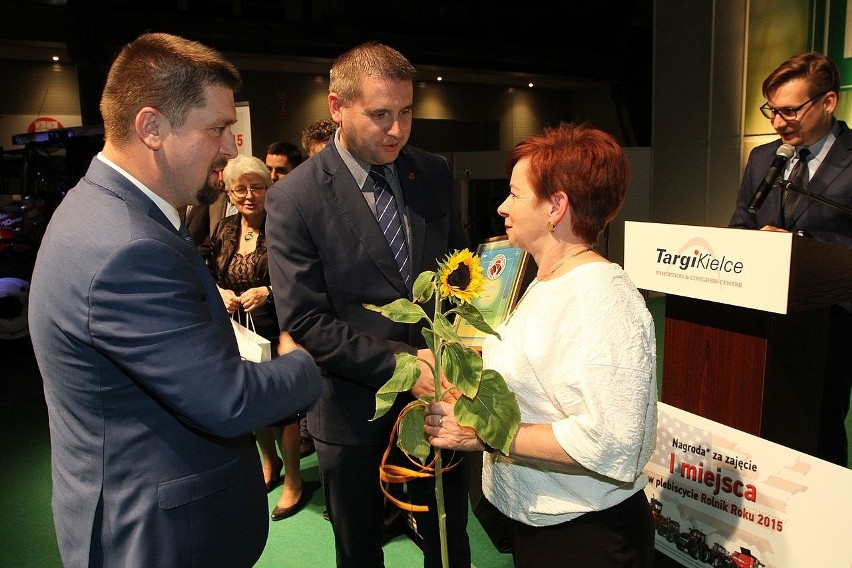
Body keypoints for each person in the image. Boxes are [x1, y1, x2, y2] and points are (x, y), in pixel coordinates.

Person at [27, 32, 322, 568]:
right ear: (152, 128)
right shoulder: (128, 247)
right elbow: (229, 401)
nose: (232, 147)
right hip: (161, 538)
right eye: (218, 128)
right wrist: (302, 360)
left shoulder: (98, 209)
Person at [265, 41, 471, 567]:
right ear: (337, 107)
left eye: (406, 113)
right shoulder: (296, 197)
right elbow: (306, 320)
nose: (398, 130)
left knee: (448, 540)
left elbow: (457, 274)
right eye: (380, 114)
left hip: (438, 403)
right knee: (359, 551)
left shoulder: (434, 172)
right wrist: (403, 366)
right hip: (351, 412)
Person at [425, 123, 658, 568]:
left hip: (588, 537)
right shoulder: (546, 279)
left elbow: (612, 442)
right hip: (543, 524)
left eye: (514, 194)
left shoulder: (600, 297)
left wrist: (486, 434)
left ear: (556, 206)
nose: (501, 206)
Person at [729, 51, 852, 467]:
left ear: (828, 102)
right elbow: (740, 226)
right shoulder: (763, 158)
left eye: (789, 111)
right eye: (772, 111)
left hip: (833, 320)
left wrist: (800, 244)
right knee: (760, 421)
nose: (779, 123)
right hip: (764, 318)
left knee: (821, 428)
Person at [206, 153, 308, 520]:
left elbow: (301, 279)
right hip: (239, 336)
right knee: (254, 404)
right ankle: (270, 465)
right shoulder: (223, 229)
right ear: (229, 193)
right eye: (240, 189)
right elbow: (202, 268)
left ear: (268, 188)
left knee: (284, 409)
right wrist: (217, 291)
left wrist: (267, 292)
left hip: (278, 330)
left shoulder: (283, 226)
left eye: (257, 187)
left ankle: (295, 481)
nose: (249, 195)